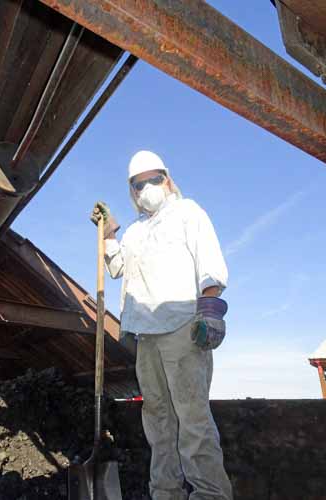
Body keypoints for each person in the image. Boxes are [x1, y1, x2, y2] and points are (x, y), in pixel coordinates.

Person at [91, 150, 233, 500]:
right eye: (138, 185)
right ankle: (166, 493)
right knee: (158, 423)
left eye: (153, 180)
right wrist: (109, 233)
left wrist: (211, 311)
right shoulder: (137, 232)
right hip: (147, 336)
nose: (146, 189)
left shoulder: (188, 213)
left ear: (167, 179)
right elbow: (117, 267)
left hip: (182, 329)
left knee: (192, 420)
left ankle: (210, 494)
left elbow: (210, 262)